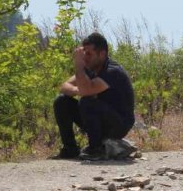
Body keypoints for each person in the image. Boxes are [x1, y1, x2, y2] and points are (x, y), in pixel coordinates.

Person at [52, 32, 136, 161]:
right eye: (84, 53)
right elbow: (64, 87)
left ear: (102, 54)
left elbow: (87, 91)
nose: (85, 57)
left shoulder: (112, 71)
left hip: (118, 124)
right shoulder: (90, 69)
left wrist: (79, 67)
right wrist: (80, 89)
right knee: (61, 101)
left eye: (89, 54)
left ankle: (95, 149)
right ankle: (70, 149)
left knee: (87, 101)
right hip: (97, 119)